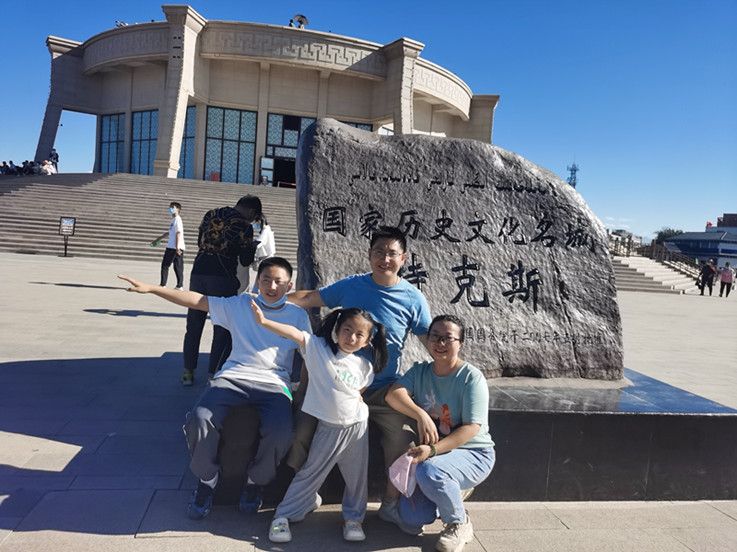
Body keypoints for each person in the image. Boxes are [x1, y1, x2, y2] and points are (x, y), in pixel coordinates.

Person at [118, 257, 311, 520]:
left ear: (289, 286)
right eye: (266, 279)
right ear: (257, 281)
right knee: (199, 418)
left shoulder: (297, 316)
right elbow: (198, 300)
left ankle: (256, 482)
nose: (271, 286)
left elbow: (311, 354)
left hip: (274, 383)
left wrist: (304, 394)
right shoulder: (241, 304)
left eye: (279, 281)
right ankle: (207, 480)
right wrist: (153, 288)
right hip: (233, 377)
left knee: (281, 431)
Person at [287, 225, 432, 531]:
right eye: (379, 252)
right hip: (336, 386)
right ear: (369, 255)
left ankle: (390, 504)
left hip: (382, 390)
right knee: (301, 433)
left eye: (392, 253)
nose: (385, 259)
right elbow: (311, 297)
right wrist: (269, 298)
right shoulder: (352, 285)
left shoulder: (413, 297)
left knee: (402, 439)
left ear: (403, 258)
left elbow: (430, 341)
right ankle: (305, 495)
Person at [252, 304, 388, 543]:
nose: (351, 337)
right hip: (329, 428)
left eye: (359, 334)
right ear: (337, 329)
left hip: (358, 426)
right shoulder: (318, 348)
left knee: (357, 477)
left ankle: (353, 519)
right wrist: (263, 322)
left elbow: (358, 390)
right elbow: (295, 334)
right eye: (347, 330)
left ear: (367, 341)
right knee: (310, 472)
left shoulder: (365, 366)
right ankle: (283, 515)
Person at [385, 314, 495, 552]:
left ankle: (458, 522)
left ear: (460, 343)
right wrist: (421, 415)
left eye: (448, 338)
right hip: (438, 456)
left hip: (474, 453)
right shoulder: (420, 372)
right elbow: (394, 395)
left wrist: (433, 449)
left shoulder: (471, 377)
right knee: (412, 519)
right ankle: (451, 490)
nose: (440, 343)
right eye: (434, 336)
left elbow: (472, 428)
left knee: (429, 470)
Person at [182, 195, 261, 386]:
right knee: (222, 327)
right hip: (223, 276)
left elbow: (199, 241)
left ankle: (188, 372)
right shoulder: (244, 225)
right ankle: (214, 373)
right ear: (252, 212)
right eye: (255, 217)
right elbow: (245, 260)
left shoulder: (210, 214)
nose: (253, 220)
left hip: (199, 273)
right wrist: (252, 247)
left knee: (194, 324)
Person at [237, 205, 276, 294]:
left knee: (260, 278)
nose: (255, 224)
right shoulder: (265, 230)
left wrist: (250, 246)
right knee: (260, 278)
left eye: (255, 222)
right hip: (264, 257)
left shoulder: (266, 230)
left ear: (260, 221)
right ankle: (255, 293)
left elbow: (259, 241)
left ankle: (255, 294)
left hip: (266, 258)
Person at [151, 202, 185, 290]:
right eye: (170, 207)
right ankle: (179, 285)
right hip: (176, 246)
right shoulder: (174, 220)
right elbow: (169, 232)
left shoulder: (177, 219)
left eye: (172, 207)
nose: (170, 209)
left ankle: (163, 284)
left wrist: (177, 247)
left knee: (165, 266)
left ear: (177, 209)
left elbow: (178, 233)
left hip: (173, 247)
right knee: (177, 266)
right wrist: (158, 239)